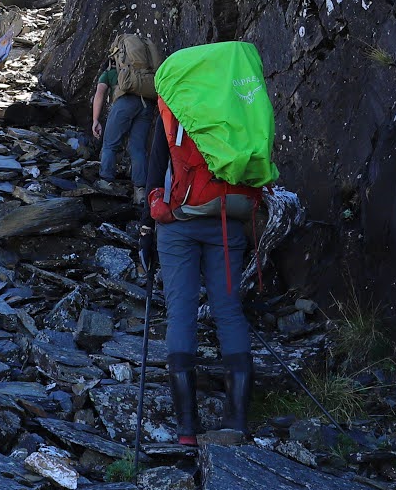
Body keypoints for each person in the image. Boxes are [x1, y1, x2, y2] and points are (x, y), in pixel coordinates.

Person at [148, 41, 276, 448]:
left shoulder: (176, 105)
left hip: (180, 223)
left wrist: (145, 226)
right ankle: (236, 422)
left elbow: (155, 166)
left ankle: (187, 429)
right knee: (229, 310)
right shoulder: (233, 109)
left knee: (181, 313)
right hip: (228, 220)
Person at [91, 31, 160, 195]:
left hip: (125, 102)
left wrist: (95, 120)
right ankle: (140, 191)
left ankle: (105, 180)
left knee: (110, 143)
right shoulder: (143, 72)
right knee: (137, 148)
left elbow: (99, 94)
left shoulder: (110, 72)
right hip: (147, 103)